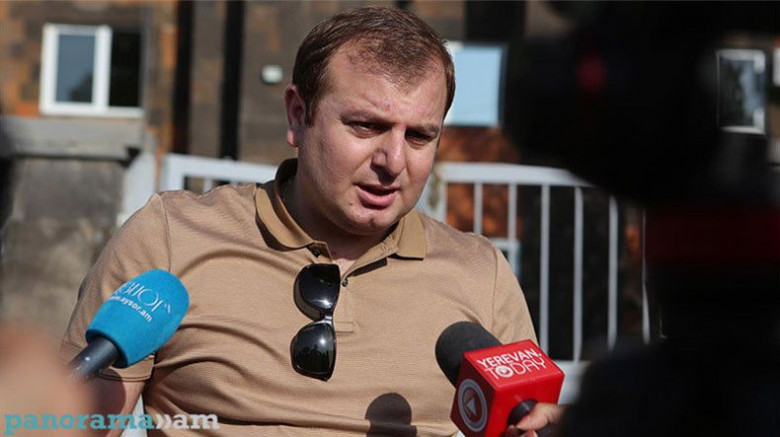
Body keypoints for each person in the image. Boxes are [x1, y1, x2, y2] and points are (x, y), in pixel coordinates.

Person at [60, 6, 558, 436]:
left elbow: (528, 420)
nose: (393, 161)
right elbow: (72, 424)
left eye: (419, 137)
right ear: (298, 115)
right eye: (366, 126)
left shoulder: (481, 274)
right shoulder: (170, 238)